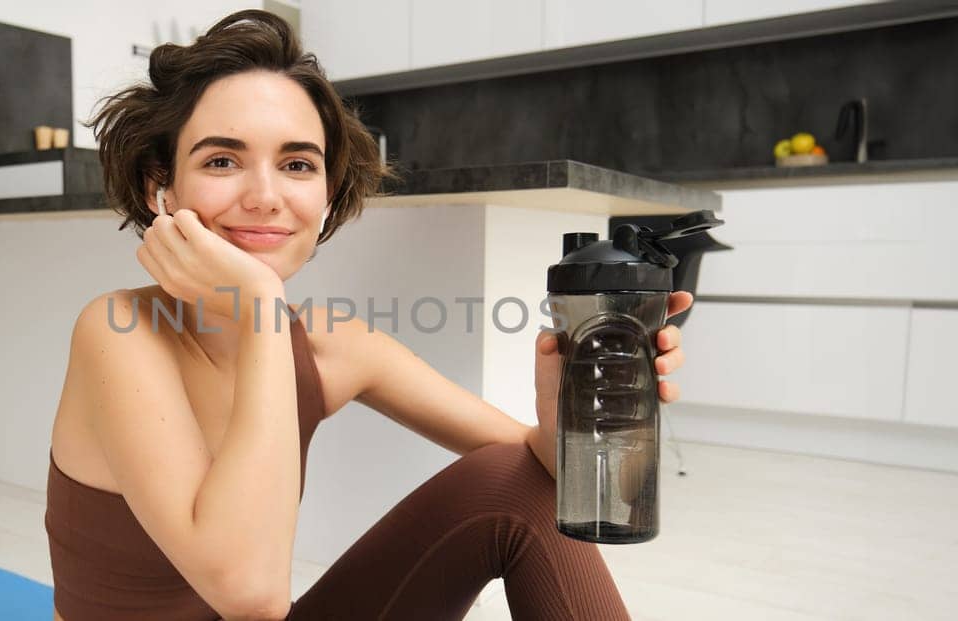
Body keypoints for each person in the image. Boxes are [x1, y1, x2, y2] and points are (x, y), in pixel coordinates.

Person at [44, 10, 692, 621]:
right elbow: (252, 593)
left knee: (516, 481)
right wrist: (263, 305)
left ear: (324, 194)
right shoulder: (116, 331)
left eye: (297, 163)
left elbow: (536, 468)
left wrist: (568, 420)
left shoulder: (329, 344)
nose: (266, 196)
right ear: (163, 186)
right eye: (221, 160)